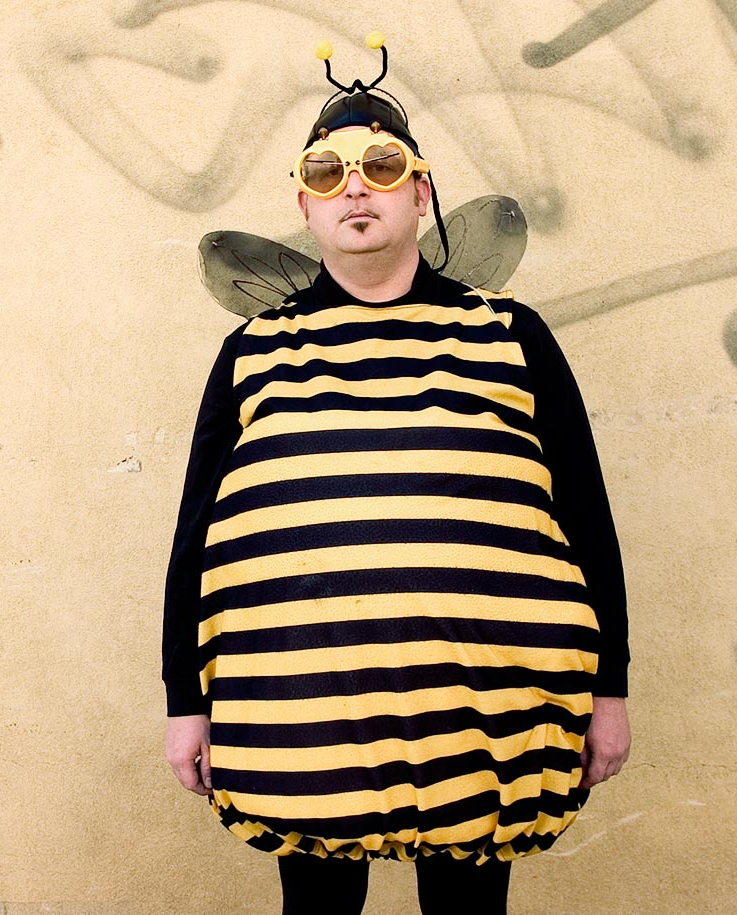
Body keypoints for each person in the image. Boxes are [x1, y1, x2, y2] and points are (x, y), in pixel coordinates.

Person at [162, 34, 631, 915]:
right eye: (327, 173)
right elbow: (198, 539)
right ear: (304, 205)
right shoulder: (254, 352)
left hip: (483, 716)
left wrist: (611, 690)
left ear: (420, 191)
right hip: (303, 715)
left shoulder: (511, 335)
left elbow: (585, 518)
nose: (355, 189)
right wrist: (185, 699)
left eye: (380, 167)